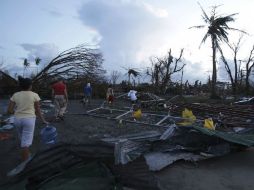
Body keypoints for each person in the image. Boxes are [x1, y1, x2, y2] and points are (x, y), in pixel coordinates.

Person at [7, 77, 48, 161]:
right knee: (25, 143)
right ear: (30, 86)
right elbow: (38, 110)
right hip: (29, 120)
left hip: (17, 119)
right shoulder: (34, 95)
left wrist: (17, 111)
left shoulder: (15, 95)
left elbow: (9, 110)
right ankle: (25, 161)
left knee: (23, 138)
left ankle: (26, 153)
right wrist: (43, 120)